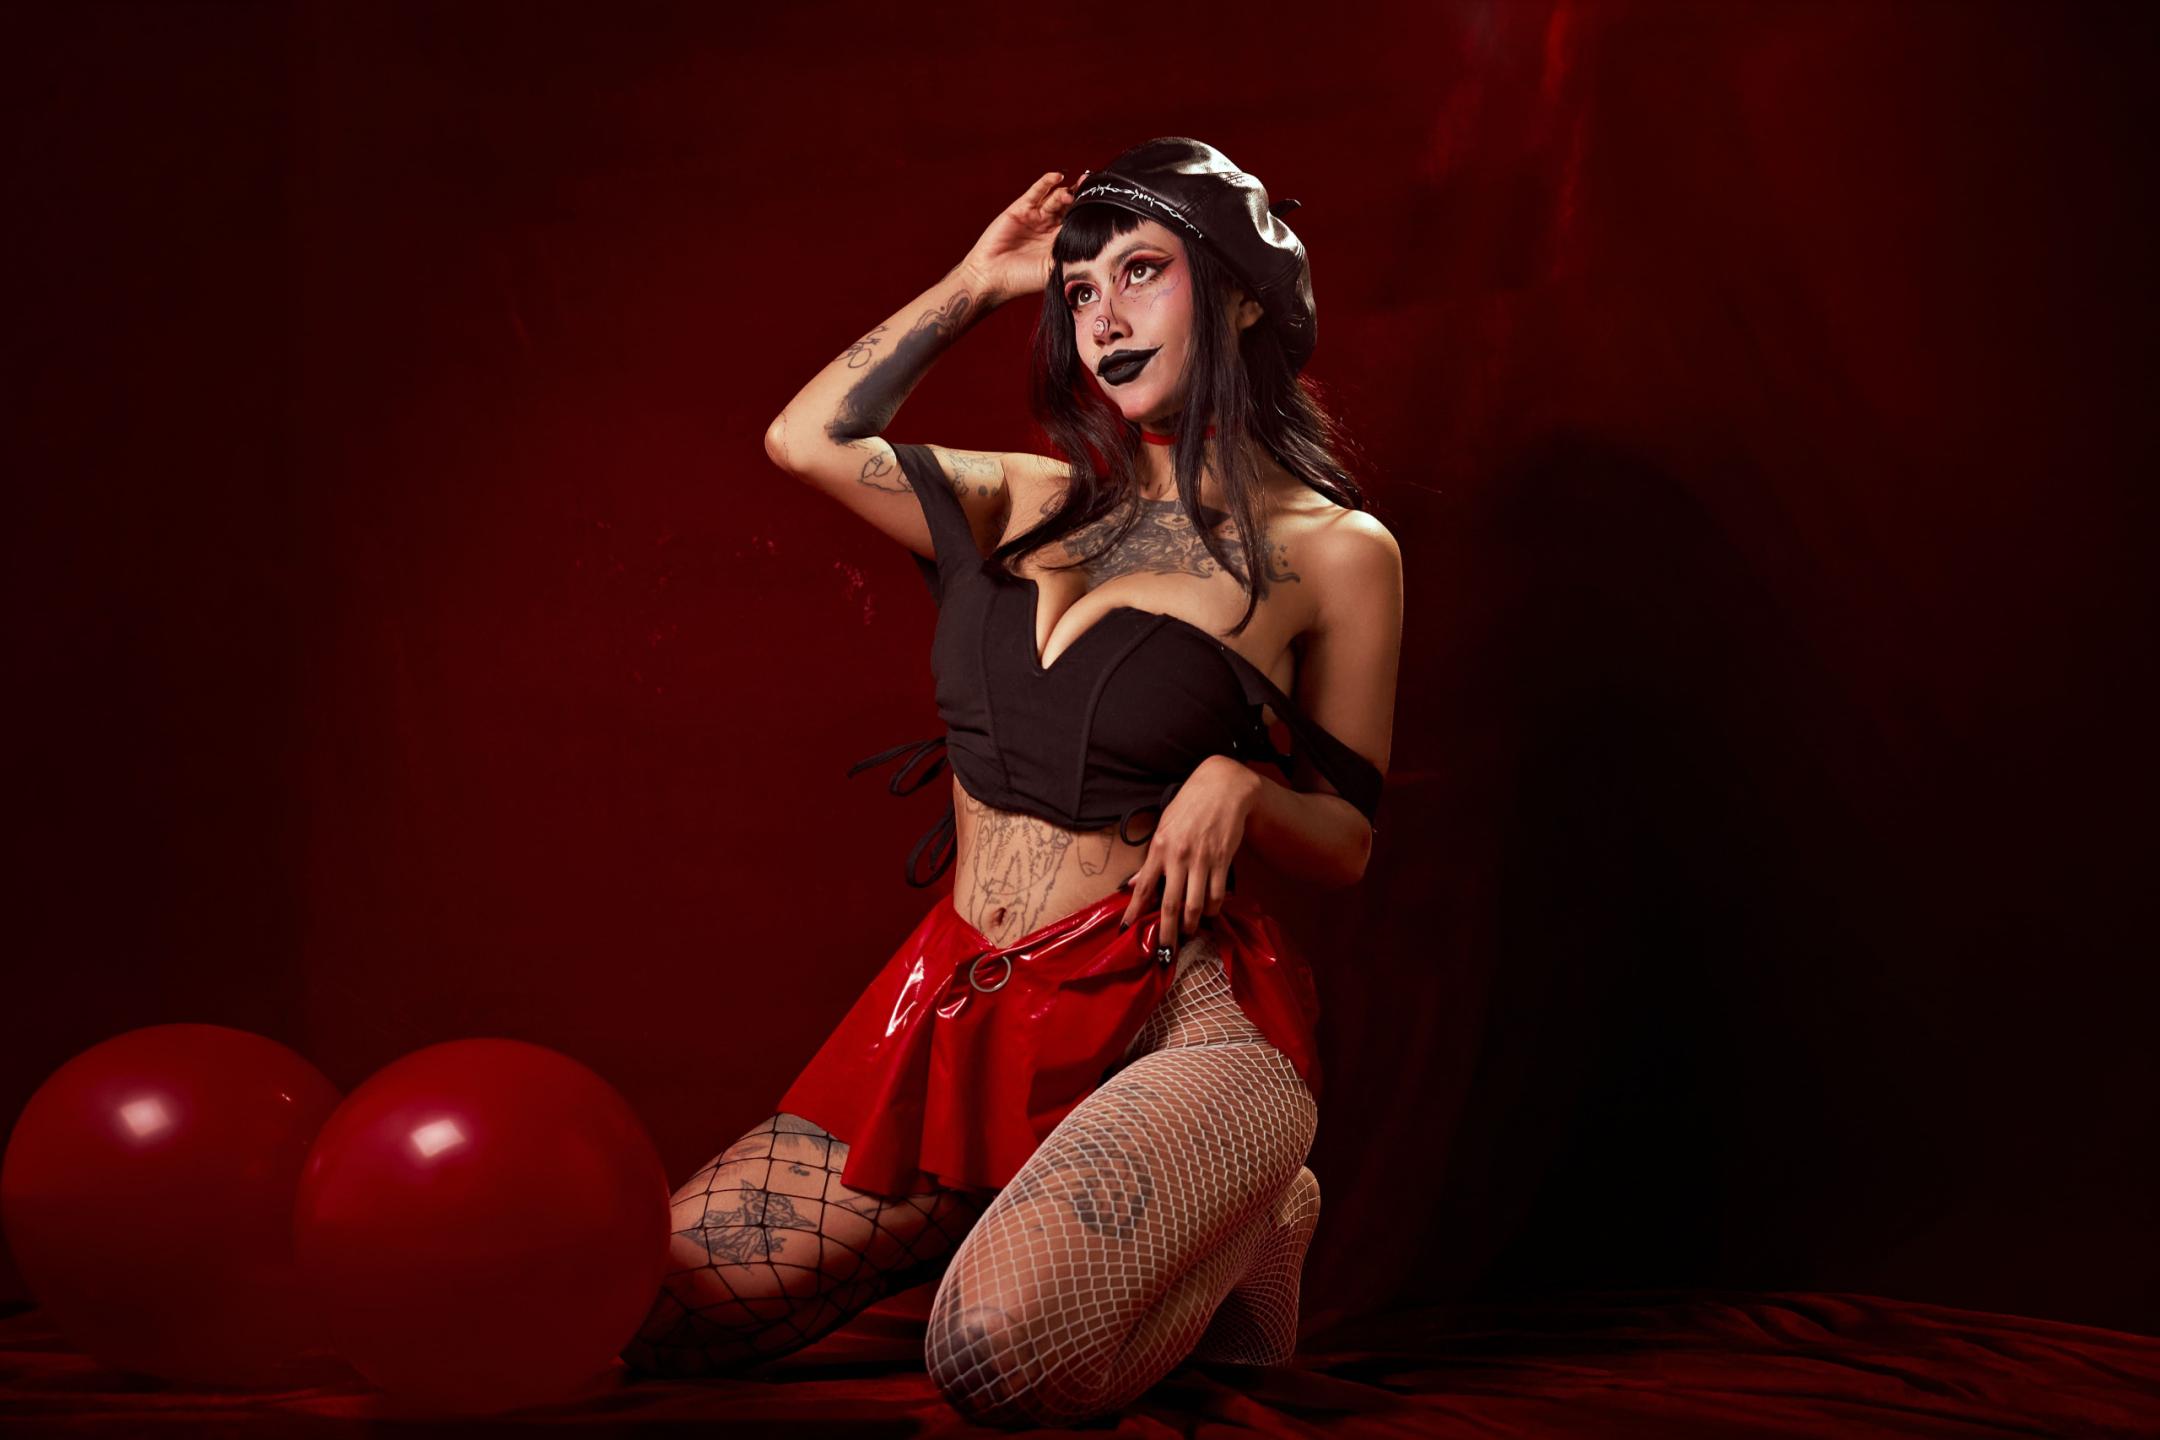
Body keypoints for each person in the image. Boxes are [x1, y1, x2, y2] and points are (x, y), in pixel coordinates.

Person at [620, 137, 1402, 1425]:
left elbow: (1347, 841)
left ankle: (1262, 1213)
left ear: (1243, 296)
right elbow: (805, 439)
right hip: (961, 1020)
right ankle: (1006, 1209)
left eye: (1142, 273)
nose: (1104, 319)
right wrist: (978, 284)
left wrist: (1246, 788)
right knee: (652, 1311)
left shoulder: (1335, 551)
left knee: (990, 1360)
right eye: (1080, 292)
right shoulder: (1026, 500)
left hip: (1169, 1024)